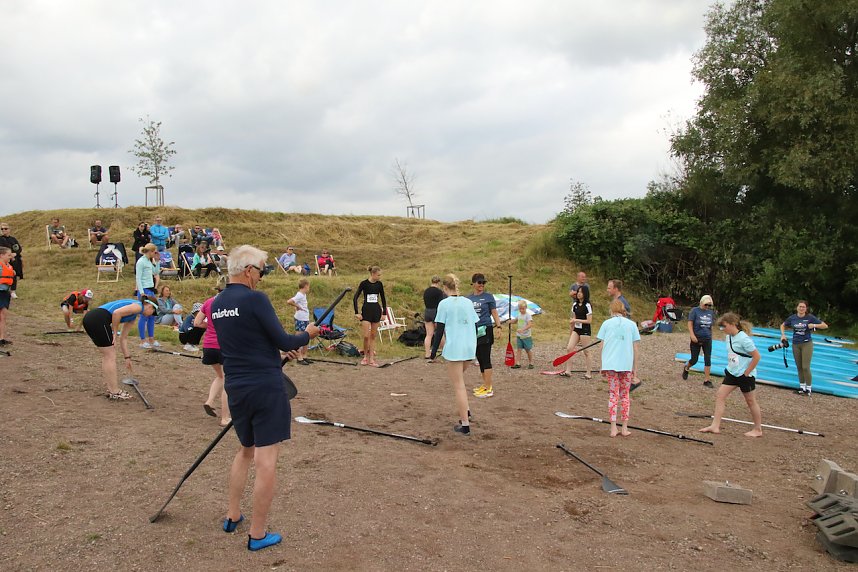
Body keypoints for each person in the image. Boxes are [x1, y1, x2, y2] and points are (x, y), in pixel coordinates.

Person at [212, 245, 320, 551]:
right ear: (248, 271)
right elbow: (286, 338)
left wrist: (276, 349)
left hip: (237, 387)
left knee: (245, 451)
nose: (261, 277)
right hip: (265, 386)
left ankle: (233, 515)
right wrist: (308, 334)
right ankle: (257, 534)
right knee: (266, 460)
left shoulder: (218, 302)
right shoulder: (255, 298)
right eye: (261, 270)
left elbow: (247, 340)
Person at [81, 296, 157, 400]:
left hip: (92, 319)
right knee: (110, 355)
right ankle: (115, 391)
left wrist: (127, 357)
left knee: (107, 355)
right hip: (98, 318)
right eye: (153, 312)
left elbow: (124, 338)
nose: (151, 315)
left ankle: (112, 389)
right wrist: (115, 331)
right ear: (149, 306)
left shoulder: (133, 316)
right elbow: (116, 313)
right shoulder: (138, 306)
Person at [430, 274, 479, 435]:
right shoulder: (468, 302)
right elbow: (475, 325)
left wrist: (432, 352)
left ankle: (465, 425)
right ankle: (468, 411)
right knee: (461, 381)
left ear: (445, 288)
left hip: (455, 349)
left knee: (459, 386)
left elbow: (439, 330)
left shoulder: (444, 304)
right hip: (469, 347)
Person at [700, 313, 763, 437]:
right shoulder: (729, 337)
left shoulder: (744, 339)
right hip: (732, 373)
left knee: (750, 401)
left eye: (724, 326)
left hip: (745, 375)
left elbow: (756, 356)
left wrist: (746, 373)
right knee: (720, 395)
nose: (722, 329)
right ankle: (715, 425)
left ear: (733, 324)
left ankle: (758, 429)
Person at [596, 299, 641, 437]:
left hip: (610, 364)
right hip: (626, 365)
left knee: (613, 394)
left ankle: (613, 428)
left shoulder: (606, 324)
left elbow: (601, 346)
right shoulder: (632, 325)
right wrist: (635, 370)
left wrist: (602, 365)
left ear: (611, 310)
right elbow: (635, 349)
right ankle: (624, 427)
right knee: (625, 395)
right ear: (623, 310)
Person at [195, 293, 231, 426]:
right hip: (223, 346)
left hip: (208, 346)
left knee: (220, 376)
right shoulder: (230, 303)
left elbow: (197, 322)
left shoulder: (208, 302)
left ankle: (209, 401)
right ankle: (225, 417)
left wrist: (210, 324)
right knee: (228, 381)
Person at [780, 300, 829, 396]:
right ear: (797, 307)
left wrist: (814, 325)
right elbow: (783, 325)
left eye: (803, 307)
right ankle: (802, 387)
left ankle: (809, 389)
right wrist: (783, 335)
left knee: (805, 367)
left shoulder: (809, 317)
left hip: (806, 343)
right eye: (800, 306)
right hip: (796, 344)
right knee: (799, 367)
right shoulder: (793, 318)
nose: (801, 308)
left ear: (806, 309)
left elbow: (825, 325)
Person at [467, 273, 501, 399]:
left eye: (483, 283)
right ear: (473, 284)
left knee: (486, 358)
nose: (481, 285)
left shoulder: (488, 297)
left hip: (485, 329)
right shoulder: (468, 299)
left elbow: (494, 312)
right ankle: (485, 384)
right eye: (479, 282)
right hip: (473, 330)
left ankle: (489, 388)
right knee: (479, 358)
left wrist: (498, 326)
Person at [353, 266, 387, 366]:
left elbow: (383, 298)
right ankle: (365, 357)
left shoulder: (379, 284)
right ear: (373, 274)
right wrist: (357, 312)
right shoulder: (364, 284)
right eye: (378, 275)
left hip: (376, 310)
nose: (379, 277)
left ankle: (372, 358)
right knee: (366, 336)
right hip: (366, 311)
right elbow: (355, 298)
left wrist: (384, 313)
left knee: (373, 336)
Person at [682, 295, 715, 388]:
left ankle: (707, 380)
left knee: (707, 358)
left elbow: (710, 325)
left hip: (707, 339)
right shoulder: (694, 311)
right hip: (696, 338)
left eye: (709, 305)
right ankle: (686, 367)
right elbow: (690, 323)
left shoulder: (710, 313)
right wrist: (692, 335)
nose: (707, 307)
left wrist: (711, 335)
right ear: (701, 303)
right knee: (694, 359)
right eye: (706, 305)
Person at [561, 285, 593, 378]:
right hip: (576, 329)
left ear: (585, 294)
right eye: (578, 292)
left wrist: (576, 320)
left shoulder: (587, 305)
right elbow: (573, 318)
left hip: (585, 330)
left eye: (581, 292)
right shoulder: (574, 305)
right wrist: (571, 331)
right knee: (569, 348)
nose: (578, 294)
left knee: (586, 351)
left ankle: (588, 373)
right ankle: (568, 371)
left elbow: (589, 320)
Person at [135, 244, 159, 348]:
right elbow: (138, 277)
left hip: (150, 289)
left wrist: (157, 261)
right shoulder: (141, 261)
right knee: (144, 315)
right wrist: (141, 292)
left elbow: (155, 272)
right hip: (144, 290)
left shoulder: (149, 261)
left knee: (152, 316)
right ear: (150, 251)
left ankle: (151, 339)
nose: (155, 254)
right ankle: (142, 340)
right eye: (154, 252)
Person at [287, 279, 312, 364]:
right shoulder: (300, 295)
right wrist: (296, 305)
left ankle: (304, 355)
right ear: (305, 286)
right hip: (300, 318)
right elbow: (289, 301)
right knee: (299, 337)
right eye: (308, 286)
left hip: (305, 318)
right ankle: (299, 356)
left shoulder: (303, 295)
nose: (309, 288)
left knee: (306, 337)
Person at [422, 275, 446, 360]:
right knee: (440, 332)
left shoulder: (426, 291)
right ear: (438, 282)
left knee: (429, 334)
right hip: (436, 312)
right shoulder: (439, 292)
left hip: (427, 311)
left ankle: (427, 353)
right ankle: (444, 351)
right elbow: (441, 304)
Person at [0, 223, 23, 299]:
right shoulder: (0, 239)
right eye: (2, 229)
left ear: (9, 229)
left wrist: (15, 254)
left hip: (14, 259)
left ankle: (13, 291)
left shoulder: (13, 239)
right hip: (3, 261)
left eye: (5, 228)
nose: (4, 230)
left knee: (14, 274)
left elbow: (19, 248)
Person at [511, 300, 534, 369]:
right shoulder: (519, 315)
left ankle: (531, 363)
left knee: (528, 350)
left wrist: (522, 330)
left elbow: (530, 324)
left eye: (523, 309)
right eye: (520, 309)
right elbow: (515, 321)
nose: (521, 310)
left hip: (526, 336)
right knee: (519, 349)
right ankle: (518, 363)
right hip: (519, 336)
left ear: (526, 307)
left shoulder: (528, 316)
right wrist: (510, 321)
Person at [0, 247, 15, 345]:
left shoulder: (9, 266)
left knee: (3, 316)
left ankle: (1, 339)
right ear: (1, 255)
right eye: (8, 255)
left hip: (5, 293)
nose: (11, 257)